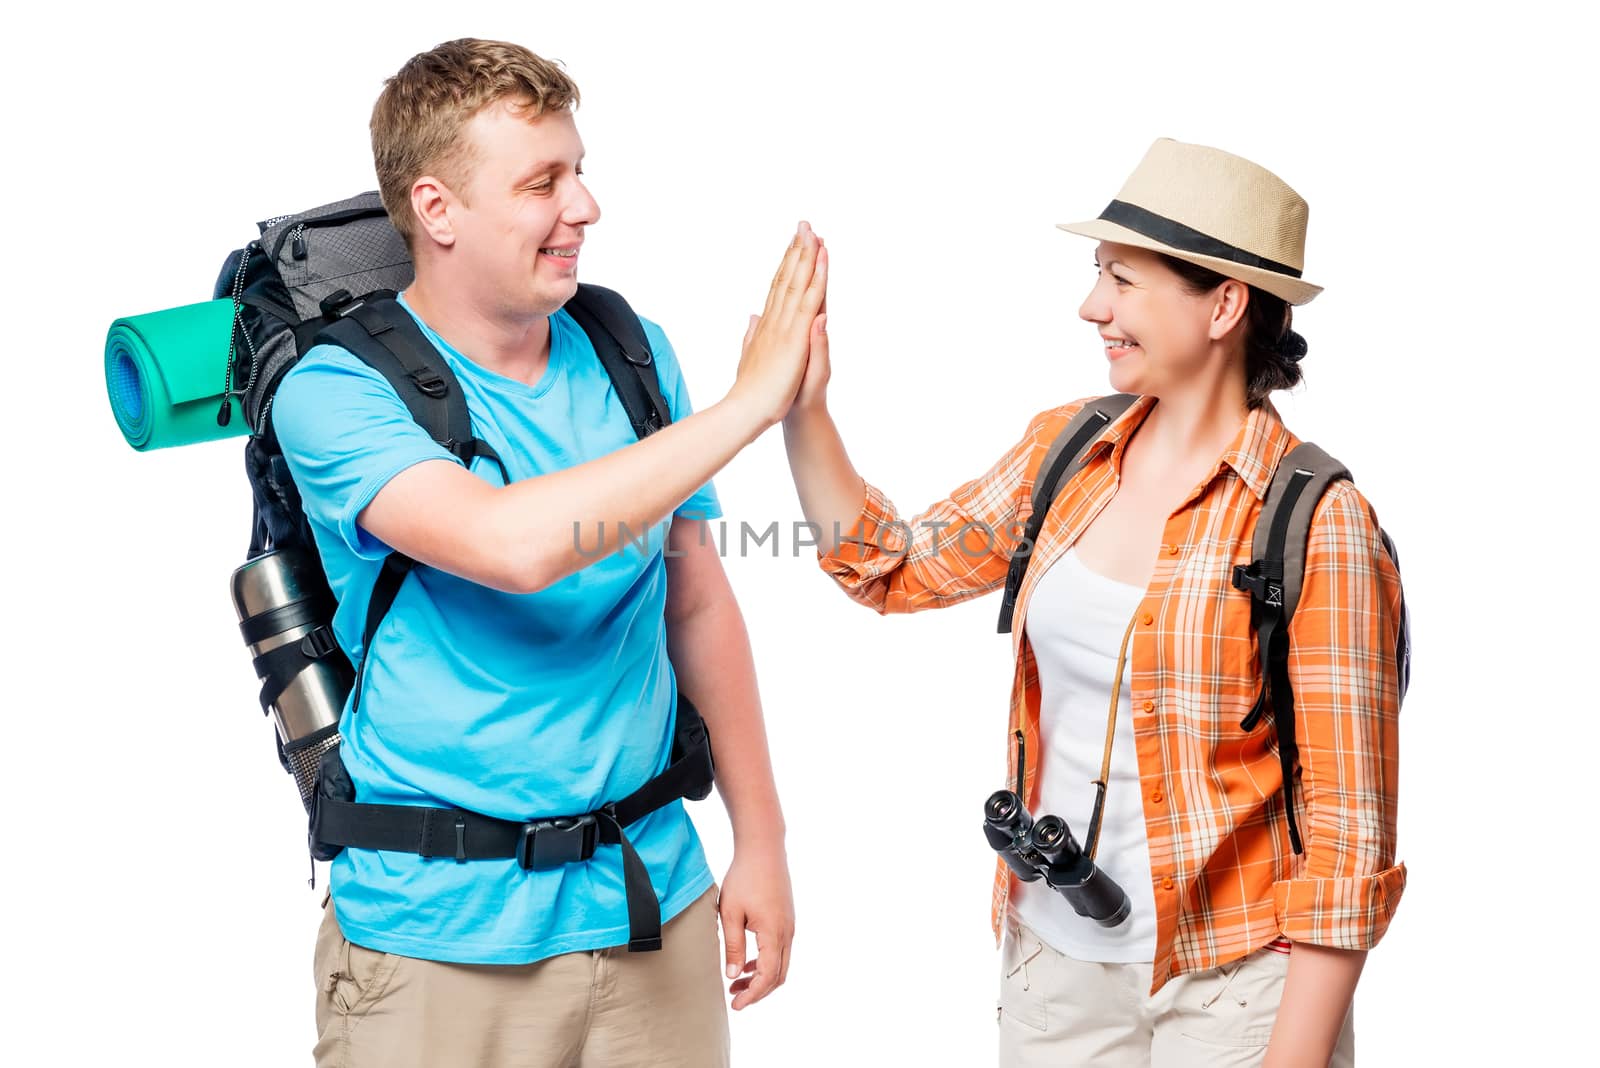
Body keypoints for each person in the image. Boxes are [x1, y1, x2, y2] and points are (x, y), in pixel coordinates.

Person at [779, 139, 1404, 1066]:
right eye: (1096, 275)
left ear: (1224, 304)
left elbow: (1349, 840)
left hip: (1238, 989)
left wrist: (1295, 1055)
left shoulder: (1318, 523)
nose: (1091, 307)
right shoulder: (1068, 451)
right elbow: (895, 566)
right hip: (1052, 967)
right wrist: (803, 408)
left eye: (1123, 281)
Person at [273, 38, 824, 1068]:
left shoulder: (628, 351)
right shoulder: (334, 392)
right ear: (436, 210)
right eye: (542, 183)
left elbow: (694, 600)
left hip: (648, 899)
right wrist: (754, 404)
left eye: (578, 170)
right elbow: (510, 545)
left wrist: (762, 843)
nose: (585, 207)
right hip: (435, 942)